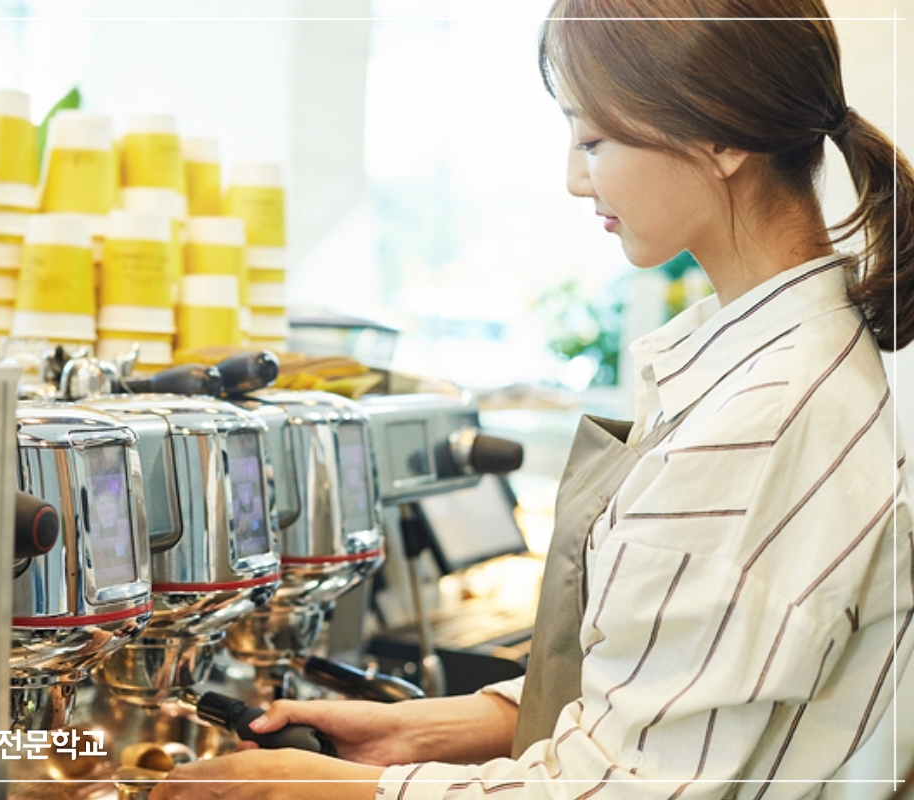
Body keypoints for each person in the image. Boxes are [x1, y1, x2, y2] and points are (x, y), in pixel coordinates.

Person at [151, 0, 914, 797]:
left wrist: (317, 788)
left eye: (593, 140)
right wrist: (437, 729)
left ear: (723, 136)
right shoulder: (771, 360)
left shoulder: (760, 418)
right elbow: (686, 683)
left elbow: (615, 788)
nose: (575, 179)